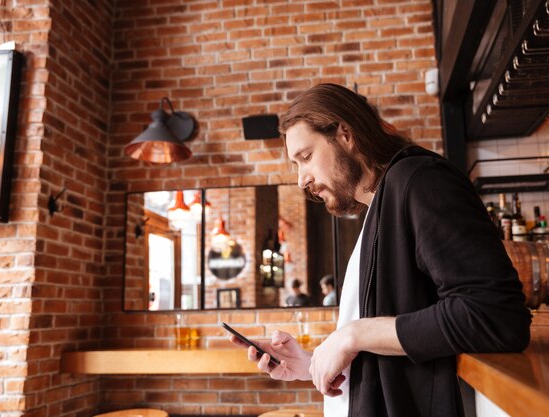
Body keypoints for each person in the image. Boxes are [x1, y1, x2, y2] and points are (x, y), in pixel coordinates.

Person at [228, 83, 531, 417]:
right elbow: (393, 339)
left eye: (306, 157)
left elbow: (494, 316)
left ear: (345, 133)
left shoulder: (420, 182)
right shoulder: (380, 207)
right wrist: (314, 364)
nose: (302, 180)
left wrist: (353, 335)